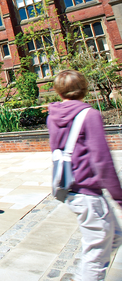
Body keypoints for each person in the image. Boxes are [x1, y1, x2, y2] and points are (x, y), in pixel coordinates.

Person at [48, 70, 122, 280]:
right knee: (97, 254)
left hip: (68, 188)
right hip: (87, 190)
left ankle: (83, 270)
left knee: (114, 236)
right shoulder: (89, 114)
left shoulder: (52, 115)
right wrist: (119, 197)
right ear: (84, 88)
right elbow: (102, 160)